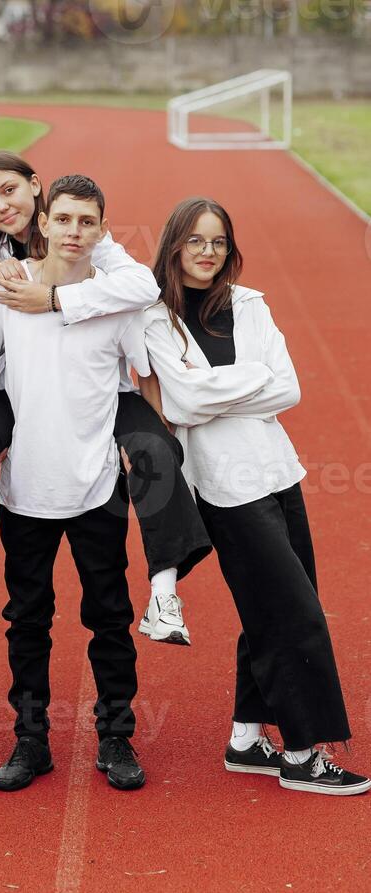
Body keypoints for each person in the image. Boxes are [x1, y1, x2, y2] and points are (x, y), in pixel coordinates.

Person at [0, 152, 211, 647]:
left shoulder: (88, 242)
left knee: (154, 449)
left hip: (99, 389)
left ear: (36, 187)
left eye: (8, 190)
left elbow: (142, 287)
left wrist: (55, 300)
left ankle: (164, 595)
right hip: (23, 392)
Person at [141, 196, 370, 796]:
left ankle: (246, 739)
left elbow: (286, 387)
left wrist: (205, 391)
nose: (207, 252)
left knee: (277, 605)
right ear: (173, 246)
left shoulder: (250, 305)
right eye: (195, 241)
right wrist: (245, 381)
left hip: (278, 472)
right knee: (294, 613)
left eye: (217, 241)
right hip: (224, 487)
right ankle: (300, 754)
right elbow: (181, 404)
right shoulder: (152, 320)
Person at [0, 174, 159, 792]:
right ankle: (31, 742)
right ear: (45, 223)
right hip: (25, 486)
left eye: (87, 223)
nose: (74, 233)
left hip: (96, 486)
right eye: (64, 220)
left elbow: (146, 377)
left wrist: (150, 448)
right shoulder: (5, 291)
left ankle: (116, 736)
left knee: (109, 616)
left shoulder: (115, 299)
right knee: (27, 618)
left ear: (102, 230)